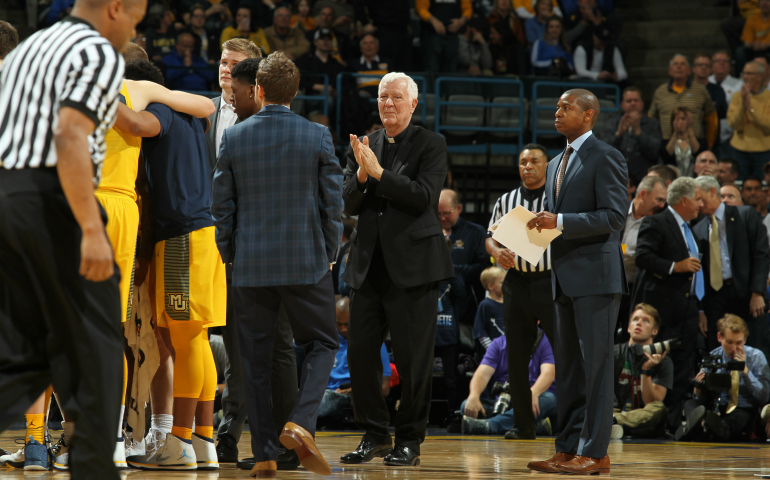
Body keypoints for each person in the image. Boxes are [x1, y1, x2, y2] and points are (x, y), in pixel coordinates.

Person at [0, 0, 145, 477]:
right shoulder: (95, 51)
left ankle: (43, 444)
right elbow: (69, 135)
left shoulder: (28, 49)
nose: (132, 30)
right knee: (100, 343)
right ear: (114, 8)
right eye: (134, 19)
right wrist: (88, 228)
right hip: (55, 201)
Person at [211, 51, 343, 478]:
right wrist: (328, 253)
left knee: (254, 358)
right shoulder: (318, 136)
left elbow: (222, 208)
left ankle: (265, 452)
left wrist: (231, 256)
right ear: (296, 92)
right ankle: (301, 423)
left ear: (260, 90)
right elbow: (332, 205)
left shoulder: (234, 138)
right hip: (306, 261)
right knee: (324, 343)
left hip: (250, 265)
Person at [341, 72, 454, 467]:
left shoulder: (431, 144)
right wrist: (359, 173)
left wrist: (378, 175)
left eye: (396, 98)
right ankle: (375, 433)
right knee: (360, 355)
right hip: (368, 267)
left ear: (413, 104)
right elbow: (349, 204)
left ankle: (409, 439)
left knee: (413, 360)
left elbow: (424, 196)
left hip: (413, 269)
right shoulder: (368, 143)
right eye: (382, 97)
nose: (388, 104)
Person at [526, 89, 627, 475]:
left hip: (597, 278)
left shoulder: (607, 156)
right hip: (562, 276)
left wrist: (562, 222)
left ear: (588, 115)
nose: (557, 112)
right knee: (568, 370)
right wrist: (540, 226)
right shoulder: (554, 164)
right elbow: (559, 221)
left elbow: (614, 216)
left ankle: (595, 451)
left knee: (597, 368)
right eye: (556, 107)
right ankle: (567, 449)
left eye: (565, 107)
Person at [485, 143, 555, 440]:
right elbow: (490, 238)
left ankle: (570, 423)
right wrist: (497, 252)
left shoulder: (557, 198)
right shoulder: (507, 200)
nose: (527, 166)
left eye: (534, 161)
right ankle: (523, 425)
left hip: (551, 281)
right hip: (517, 284)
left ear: (546, 166)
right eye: (523, 162)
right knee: (515, 356)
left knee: (563, 351)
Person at [633, 176, 704, 430]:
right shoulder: (656, 221)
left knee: (683, 369)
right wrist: (676, 266)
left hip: (687, 310)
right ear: (683, 200)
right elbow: (642, 256)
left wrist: (699, 307)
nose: (701, 204)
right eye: (697, 199)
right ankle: (654, 424)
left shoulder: (690, 229)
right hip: (663, 310)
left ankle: (673, 426)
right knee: (662, 366)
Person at [693, 175, 770, 353]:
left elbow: (761, 255)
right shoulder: (698, 229)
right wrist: (701, 310)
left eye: (699, 198)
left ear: (712, 192)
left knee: (753, 346)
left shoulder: (745, 214)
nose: (697, 203)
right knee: (717, 348)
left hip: (747, 293)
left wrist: (757, 292)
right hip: (715, 298)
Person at [677, 315, 770, 441]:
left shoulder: (756, 357)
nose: (733, 348)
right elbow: (701, 398)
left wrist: (745, 371)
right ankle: (706, 427)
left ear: (745, 339)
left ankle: (703, 430)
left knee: (740, 417)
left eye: (739, 343)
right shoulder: (711, 357)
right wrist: (698, 390)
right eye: (729, 342)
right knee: (691, 404)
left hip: (743, 410)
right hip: (716, 408)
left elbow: (764, 396)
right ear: (719, 337)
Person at [460, 333, 557, 435]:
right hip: (507, 404)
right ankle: (533, 426)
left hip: (536, 401)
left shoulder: (546, 341)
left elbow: (548, 373)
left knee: (549, 399)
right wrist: (474, 396)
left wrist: (533, 393)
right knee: (467, 405)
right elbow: (482, 373)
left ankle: (490, 425)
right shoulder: (498, 343)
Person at [317, 298, 391, 426]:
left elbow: (384, 389)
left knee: (327, 398)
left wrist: (349, 390)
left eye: (347, 324)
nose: (343, 329)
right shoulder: (326, 340)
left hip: (352, 396)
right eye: (338, 324)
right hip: (325, 393)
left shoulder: (373, 342)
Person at [612, 304, 673, 439]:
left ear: (654, 330)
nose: (639, 323)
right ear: (628, 328)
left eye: (645, 320)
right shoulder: (613, 353)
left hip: (643, 417)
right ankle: (615, 424)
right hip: (615, 410)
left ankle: (614, 423)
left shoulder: (663, 361)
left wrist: (646, 370)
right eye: (635, 319)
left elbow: (652, 402)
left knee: (659, 409)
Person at [205, 38, 261, 174]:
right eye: (224, 62)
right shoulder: (204, 110)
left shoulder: (260, 114)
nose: (226, 69)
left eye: (235, 65)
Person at [620, 175, 668, 335]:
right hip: (607, 287)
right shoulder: (616, 211)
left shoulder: (658, 223)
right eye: (659, 199)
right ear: (642, 194)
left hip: (637, 291)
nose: (662, 205)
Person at [439, 189, 491, 329]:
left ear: (459, 208)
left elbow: (483, 267)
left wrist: (451, 271)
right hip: (437, 309)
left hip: (467, 308)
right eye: (438, 214)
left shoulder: (476, 232)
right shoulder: (432, 232)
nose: (442, 218)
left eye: (446, 214)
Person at [649, 54, 718, 151]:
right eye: (675, 64)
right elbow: (651, 118)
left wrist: (710, 143)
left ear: (689, 70)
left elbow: (712, 118)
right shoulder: (660, 92)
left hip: (695, 143)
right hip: (667, 144)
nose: (679, 66)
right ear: (669, 70)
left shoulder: (700, 90)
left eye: (682, 64)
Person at [597, 86, 662, 183]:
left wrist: (638, 132)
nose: (633, 103)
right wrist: (618, 134)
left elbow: (654, 152)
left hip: (644, 179)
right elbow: (603, 152)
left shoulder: (653, 124)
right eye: (629, 101)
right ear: (622, 104)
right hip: (616, 178)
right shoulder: (612, 124)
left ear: (642, 104)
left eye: (636, 100)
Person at [727, 60, 770, 180]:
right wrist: (743, 104)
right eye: (744, 73)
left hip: (764, 151)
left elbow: (768, 124)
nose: (745, 77)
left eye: (749, 73)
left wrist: (750, 109)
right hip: (740, 150)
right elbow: (733, 123)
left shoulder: (768, 98)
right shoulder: (737, 97)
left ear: (760, 77)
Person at [353, 0, 412, 72]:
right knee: (386, 65)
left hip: (403, 31)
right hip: (383, 29)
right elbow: (358, 4)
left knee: (404, 67)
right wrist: (365, 22)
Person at [416, 0, 472, 73]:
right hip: (431, 34)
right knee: (431, 68)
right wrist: (432, 20)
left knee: (451, 69)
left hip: (452, 35)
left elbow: (467, 8)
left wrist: (461, 21)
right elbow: (420, 8)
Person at [710, 50, 745, 158]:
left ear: (730, 66)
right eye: (718, 61)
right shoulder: (706, 83)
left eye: (725, 61)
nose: (722, 63)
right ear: (712, 65)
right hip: (709, 131)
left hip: (731, 134)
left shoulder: (739, 85)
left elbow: (750, 110)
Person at [295, 28, 346, 100]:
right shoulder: (305, 60)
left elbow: (344, 84)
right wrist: (315, 86)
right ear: (315, 42)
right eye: (322, 39)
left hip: (331, 99)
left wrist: (333, 91)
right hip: (309, 98)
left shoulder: (335, 64)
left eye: (328, 39)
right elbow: (297, 80)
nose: (326, 42)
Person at [488, 0, 529, 75]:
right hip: (495, 51)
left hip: (511, 52)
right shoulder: (490, 18)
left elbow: (521, 39)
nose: (504, 1)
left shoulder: (516, 20)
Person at [692, 53, 729, 136]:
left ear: (711, 69)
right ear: (693, 68)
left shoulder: (718, 90)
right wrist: (710, 106)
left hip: (711, 136)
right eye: (700, 65)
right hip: (690, 136)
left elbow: (722, 112)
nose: (703, 67)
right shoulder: (686, 89)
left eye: (707, 65)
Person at [661, 106, 702, 177]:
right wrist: (675, 133)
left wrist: (690, 129)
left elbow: (698, 153)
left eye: (683, 119)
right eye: (677, 119)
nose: (680, 122)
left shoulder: (699, 141)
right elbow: (667, 156)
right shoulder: (666, 142)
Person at [473, 267, 506, 351]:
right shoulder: (485, 305)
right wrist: (492, 350)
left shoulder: (508, 303)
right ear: (491, 286)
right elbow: (480, 332)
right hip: (494, 354)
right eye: (502, 282)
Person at [350, 34, 391, 98]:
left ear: (377, 47)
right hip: (362, 100)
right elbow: (349, 86)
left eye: (371, 43)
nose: (368, 46)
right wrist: (357, 91)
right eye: (365, 43)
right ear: (361, 48)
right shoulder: (354, 64)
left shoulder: (387, 62)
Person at [737, 0, 770, 72]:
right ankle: (741, 76)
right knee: (740, 51)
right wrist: (754, 45)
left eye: (767, 1)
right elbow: (747, 43)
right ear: (759, 4)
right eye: (762, 1)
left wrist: (766, 45)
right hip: (755, 48)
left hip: (768, 48)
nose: (764, 3)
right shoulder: (752, 19)